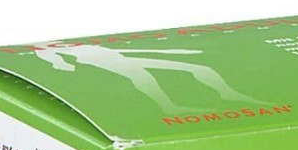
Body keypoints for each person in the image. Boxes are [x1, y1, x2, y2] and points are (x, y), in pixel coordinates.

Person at [34, 43, 260, 115]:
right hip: (110, 64)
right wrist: (61, 64)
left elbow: (122, 50)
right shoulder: (47, 50)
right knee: (141, 76)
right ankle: (168, 106)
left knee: (198, 68)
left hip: (120, 58)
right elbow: (54, 61)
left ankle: (227, 93)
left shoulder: (77, 45)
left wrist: (170, 52)